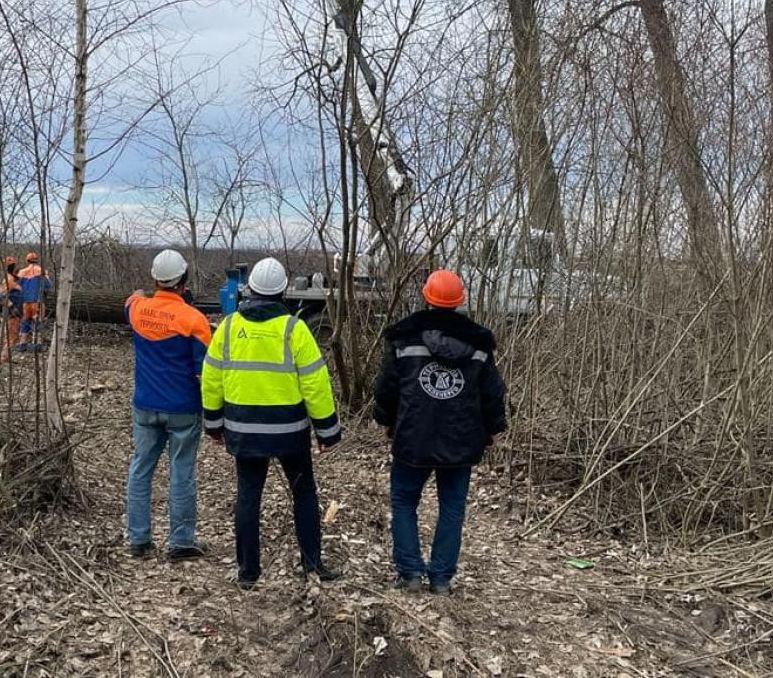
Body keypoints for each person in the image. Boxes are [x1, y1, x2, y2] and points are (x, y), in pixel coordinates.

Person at [202, 256, 342, 589]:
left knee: (248, 497)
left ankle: (248, 573)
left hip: (243, 430)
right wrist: (327, 431)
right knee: (304, 495)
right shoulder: (295, 329)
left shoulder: (228, 327)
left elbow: (211, 379)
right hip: (289, 433)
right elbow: (315, 384)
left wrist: (213, 424)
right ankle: (312, 565)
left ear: (250, 291)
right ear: (282, 291)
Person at [372, 269, 507, 596]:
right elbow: (492, 393)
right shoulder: (478, 345)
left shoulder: (404, 340)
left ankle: (410, 573)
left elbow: (386, 388)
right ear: (459, 301)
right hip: (460, 442)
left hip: (413, 437)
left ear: (426, 297)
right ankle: (442, 579)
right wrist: (493, 430)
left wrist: (386, 422)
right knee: (452, 508)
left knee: (404, 502)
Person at [124, 249, 213, 561]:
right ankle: (180, 542)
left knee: (140, 469)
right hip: (183, 409)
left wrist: (137, 295)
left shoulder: (137, 310)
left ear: (155, 279)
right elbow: (204, 373)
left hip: (145, 405)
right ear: (183, 281)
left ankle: (138, 540)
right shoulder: (195, 320)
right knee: (182, 472)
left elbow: (130, 302)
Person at [15, 252, 52, 352]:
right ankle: (37, 344)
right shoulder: (42, 271)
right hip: (38, 301)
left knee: (25, 322)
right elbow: (48, 286)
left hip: (25, 303)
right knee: (38, 322)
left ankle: (22, 344)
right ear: (37, 260)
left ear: (27, 261)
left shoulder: (21, 272)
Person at [0, 256, 23, 363]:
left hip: (14, 313)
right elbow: (1, 297)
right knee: (10, 337)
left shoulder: (12, 278)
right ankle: (3, 358)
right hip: (10, 313)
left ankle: (6, 357)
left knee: (13, 336)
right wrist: (12, 307)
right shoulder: (7, 280)